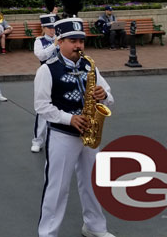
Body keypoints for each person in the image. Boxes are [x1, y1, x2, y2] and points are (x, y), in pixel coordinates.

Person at [35, 17, 115, 237]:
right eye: (73, 40)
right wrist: (68, 118)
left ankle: (95, 227)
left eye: (81, 40)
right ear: (59, 42)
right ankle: (48, 233)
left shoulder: (90, 66)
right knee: (57, 188)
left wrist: (104, 94)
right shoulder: (47, 70)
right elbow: (41, 107)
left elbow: (110, 98)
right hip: (63, 136)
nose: (79, 45)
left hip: (90, 135)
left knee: (93, 183)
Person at [30, 13, 59, 153]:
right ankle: (37, 140)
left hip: (59, 75)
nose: (52, 30)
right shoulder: (39, 41)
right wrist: (54, 45)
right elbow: (41, 55)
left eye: (53, 27)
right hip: (44, 75)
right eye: (49, 28)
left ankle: (56, 138)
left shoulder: (61, 39)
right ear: (43, 28)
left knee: (59, 106)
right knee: (42, 108)